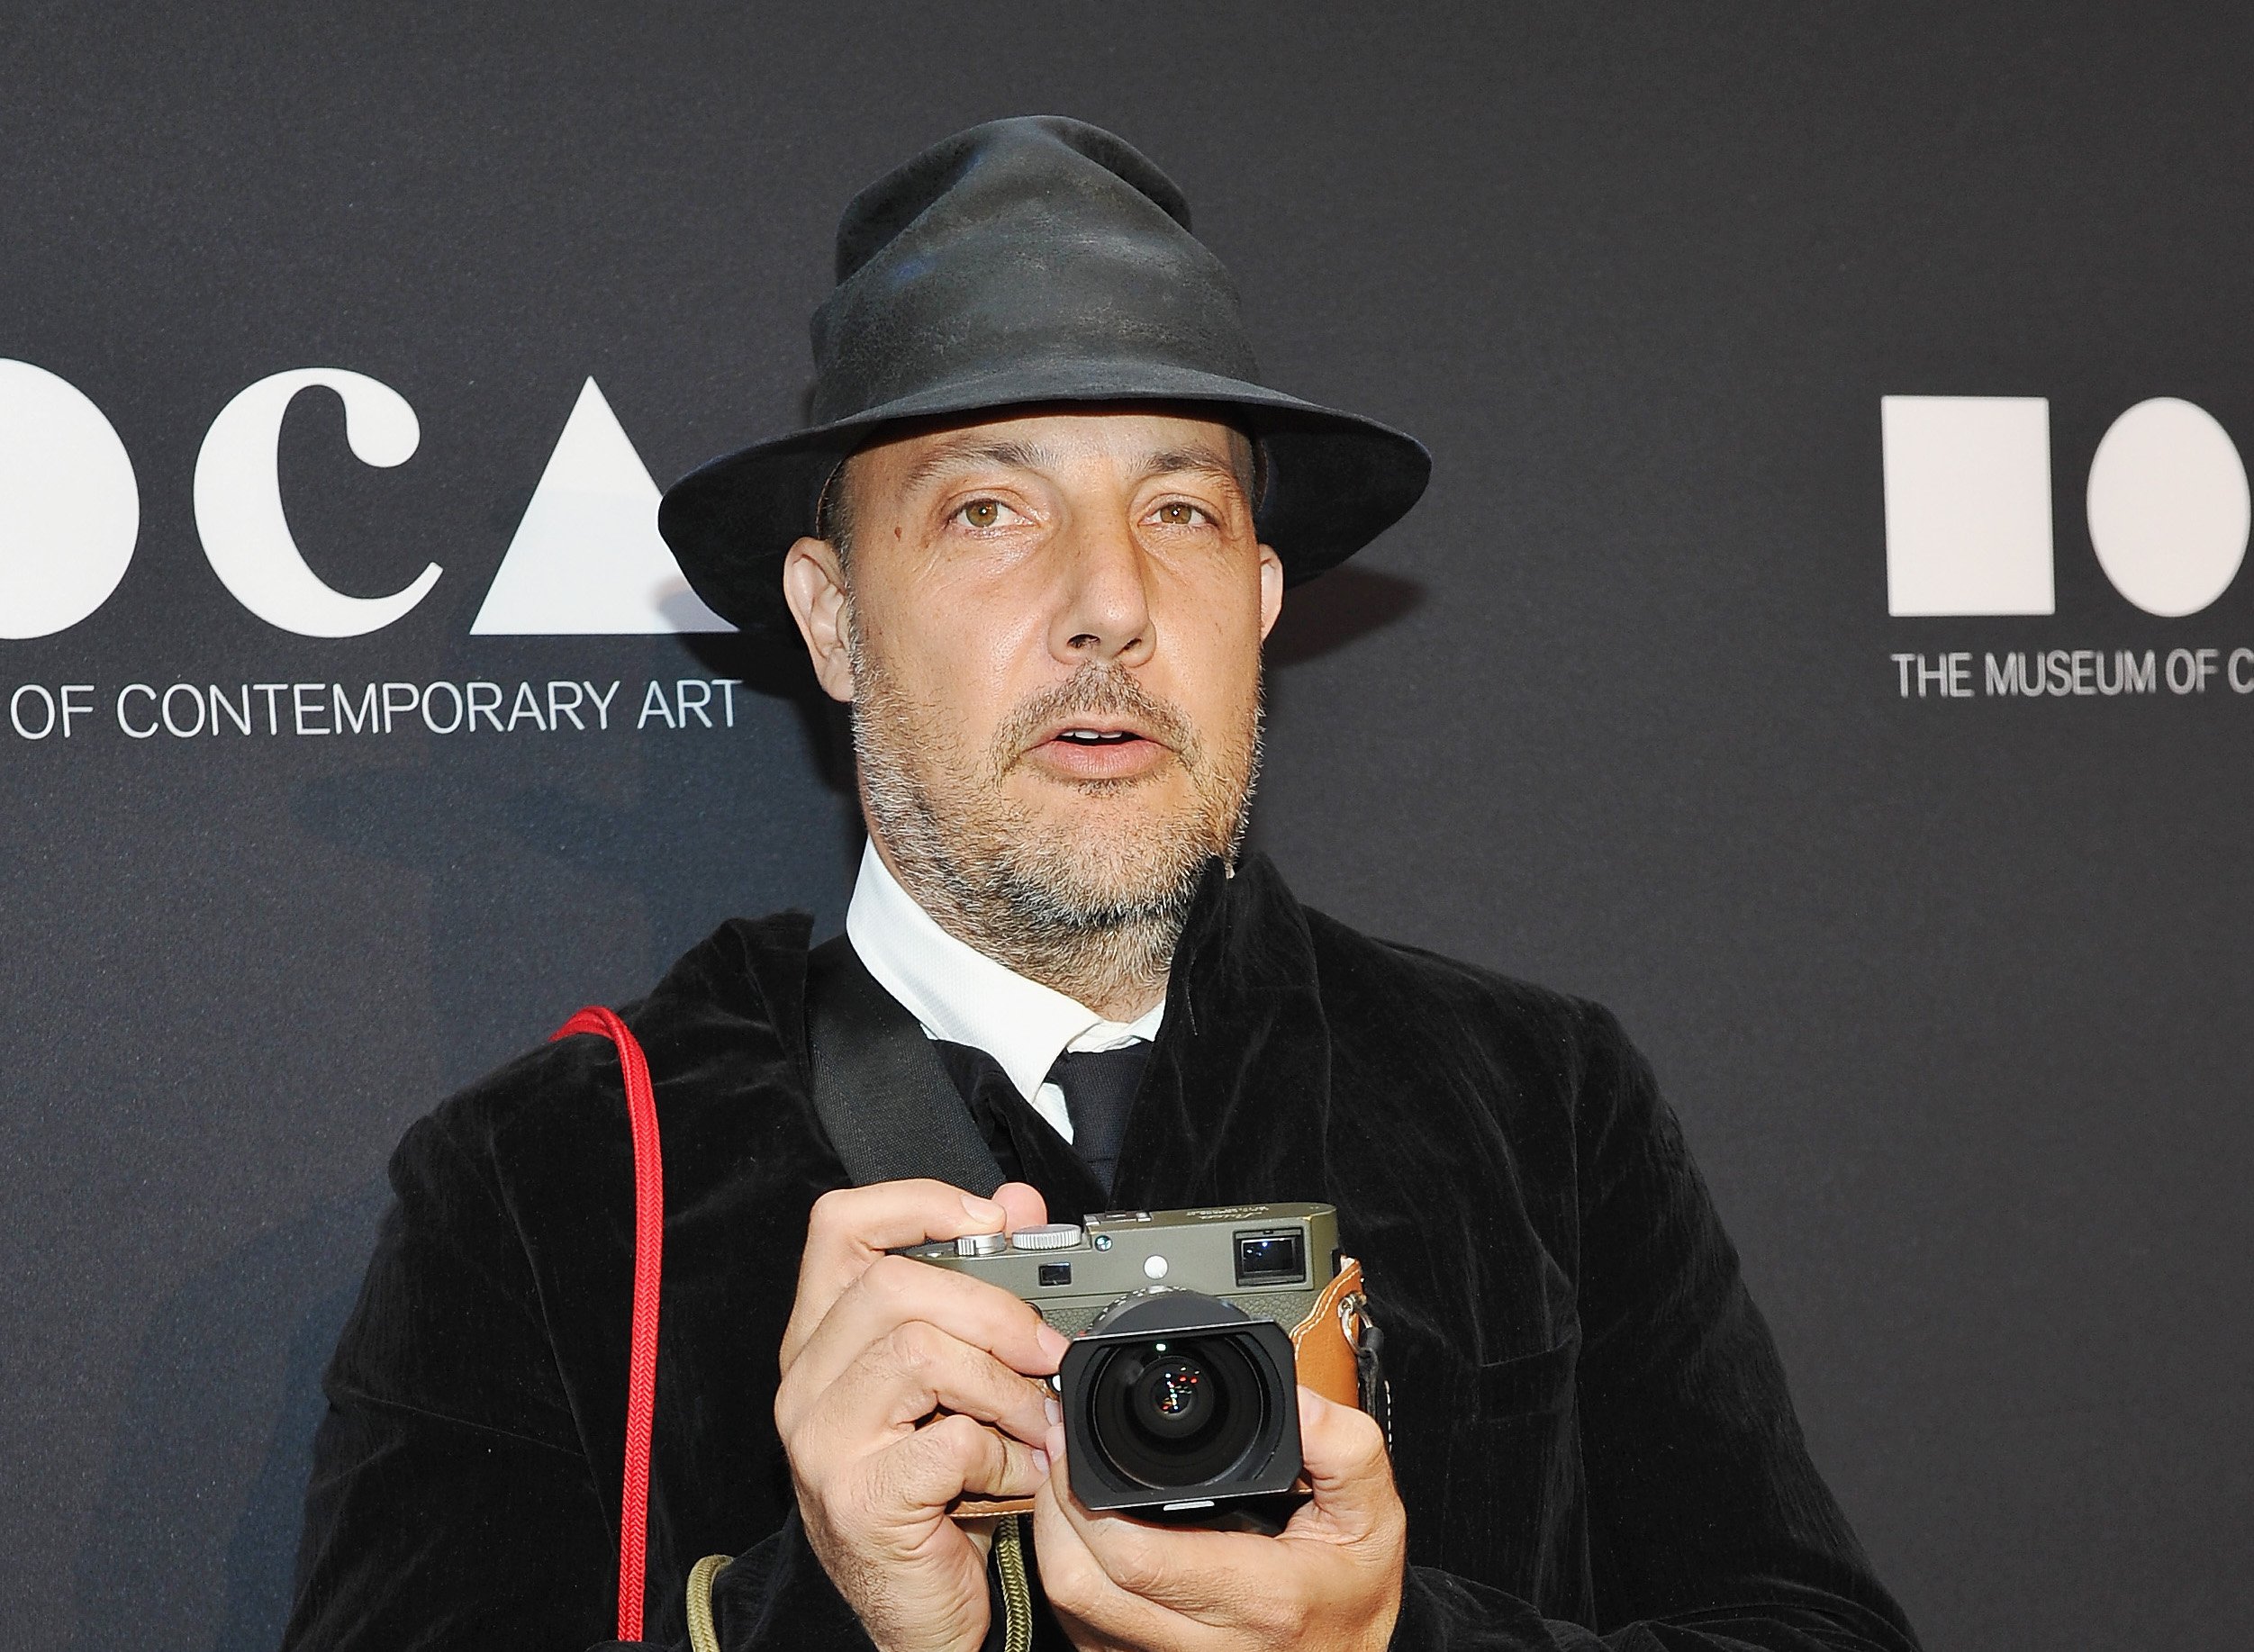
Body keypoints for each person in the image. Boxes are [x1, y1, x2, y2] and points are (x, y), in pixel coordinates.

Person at [281, 116, 1923, 1652]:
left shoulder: (1538, 1105)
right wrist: (846, 1614)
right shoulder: (562, 1180)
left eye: (1183, 510)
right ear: (832, 618)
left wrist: (1391, 1639)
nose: (1110, 606)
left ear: (1262, 599)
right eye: (990, 508)